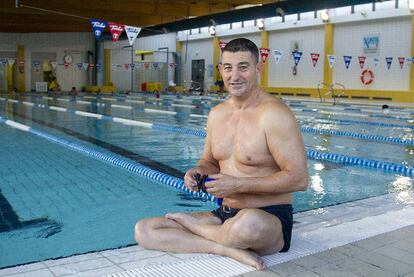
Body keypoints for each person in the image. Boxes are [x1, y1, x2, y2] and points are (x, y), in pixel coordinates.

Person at [134, 38, 308, 270]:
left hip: (267, 218)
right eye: (228, 67)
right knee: (145, 230)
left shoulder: (274, 115)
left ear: (258, 68)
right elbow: (209, 162)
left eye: (243, 67)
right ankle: (223, 246)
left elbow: (299, 178)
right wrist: (197, 172)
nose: (234, 75)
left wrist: (238, 185)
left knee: (248, 226)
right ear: (220, 70)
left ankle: (209, 234)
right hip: (224, 214)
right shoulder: (217, 114)